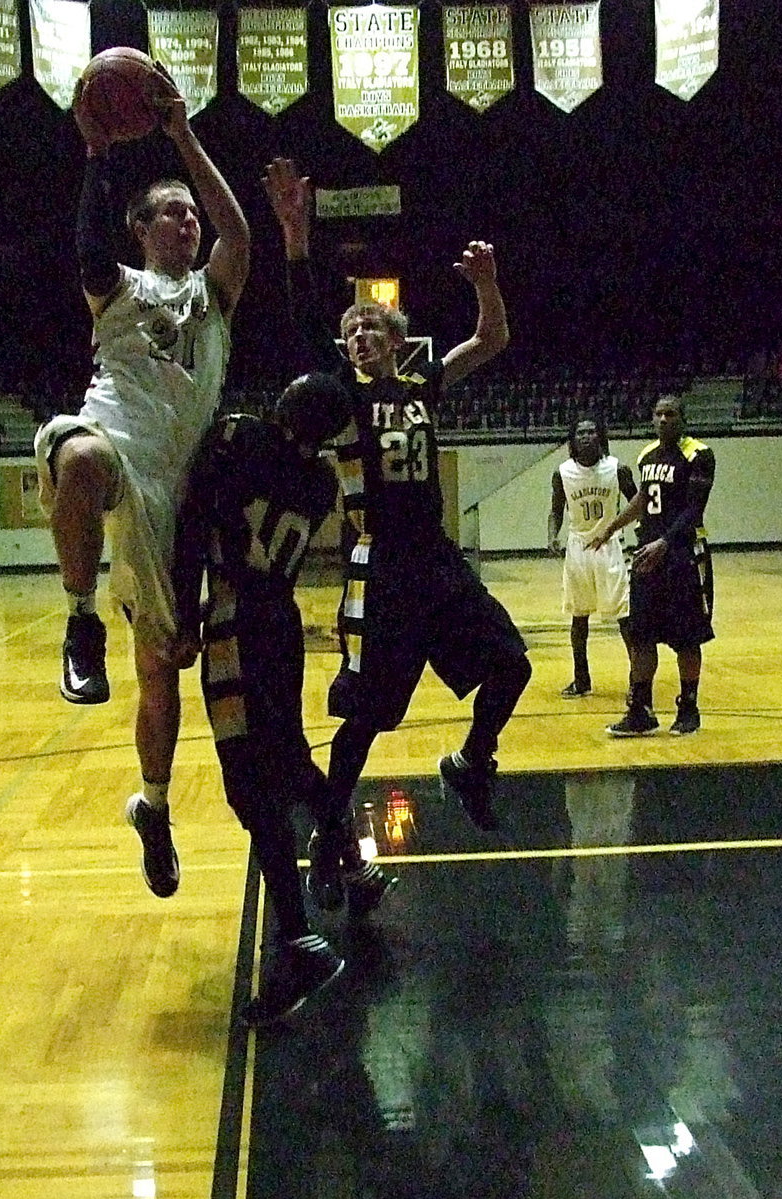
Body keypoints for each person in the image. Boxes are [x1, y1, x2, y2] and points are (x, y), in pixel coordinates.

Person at [263, 157, 532, 874]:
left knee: (511, 664)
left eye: (369, 328)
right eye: (349, 332)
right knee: (372, 715)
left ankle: (473, 762)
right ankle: (328, 828)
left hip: (437, 558)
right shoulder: (343, 395)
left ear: (394, 336)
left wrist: (486, 284)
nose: (357, 337)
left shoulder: (421, 382)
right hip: (379, 566)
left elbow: (492, 340)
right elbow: (302, 323)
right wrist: (296, 236)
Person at [32, 74, 249, 897]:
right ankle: (79, 621)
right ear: (141, 228)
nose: (187, 220)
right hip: (117, 441)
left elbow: (239, 230)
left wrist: (184, 138)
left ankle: (153, 807)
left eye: (189, 212)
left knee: (164, 667)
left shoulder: (216, 296)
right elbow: (87, 243)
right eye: (170, 210)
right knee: (79, 459)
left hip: (178, 488)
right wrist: (95, 152)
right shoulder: (116, 285)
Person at [172, 374, 399, 1024]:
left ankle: (303, 938)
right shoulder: (320, 481)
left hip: (238, 622)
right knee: (286, 764)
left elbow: (192, 522)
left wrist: (184, 616)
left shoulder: (241, 437)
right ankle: (347, 865)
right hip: (281, 623)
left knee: (253, 783)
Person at [589, 395, 715, 736]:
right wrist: (612, 526)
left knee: (687, 638)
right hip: (648, 555)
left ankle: (688, 708)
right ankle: (640, 710)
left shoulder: (698, 455)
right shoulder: (647, 455)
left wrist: (665, 542)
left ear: (682, 418)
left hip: (684, 554)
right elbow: (644, 499)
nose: (663, 419)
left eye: (670, 413)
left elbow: (693, 509)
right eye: (658, 413)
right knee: (640, 633)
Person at [547, 414, 636, 697]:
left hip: (610, 546)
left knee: (624, 614)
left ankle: (638, 680)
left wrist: (644, 532)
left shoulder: (617, 468)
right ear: (572, 440)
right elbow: (556, 509)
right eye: (580, 433)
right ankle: (581, 678)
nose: (586, 436)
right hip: (578, 546)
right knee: (579, 615)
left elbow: (638, 502)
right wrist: (552, 534)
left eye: (591, 431)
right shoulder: (562, 473)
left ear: (601, 437)